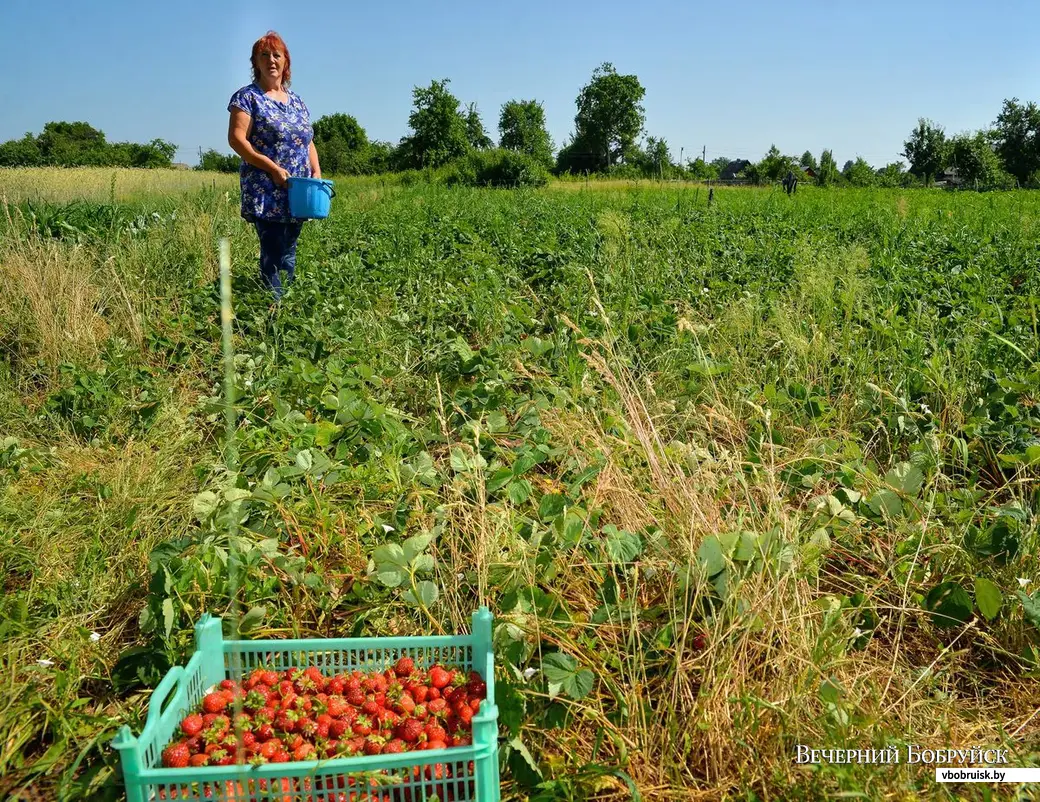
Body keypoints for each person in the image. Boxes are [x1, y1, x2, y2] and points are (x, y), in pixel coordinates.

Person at [227, 31, 321, 300]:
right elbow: (237, 140)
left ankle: (285, 307)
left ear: (285, 62)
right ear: (255, 62)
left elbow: (308, 141)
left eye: (276, 55)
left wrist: (316, 170)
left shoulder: (298, 102)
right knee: (273, 250)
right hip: (267, 189)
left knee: (289, 250)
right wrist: (272, 168)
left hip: (297, 190)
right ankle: (273, 310)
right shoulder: (247, 98)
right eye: (264, 55)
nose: (271, 60)